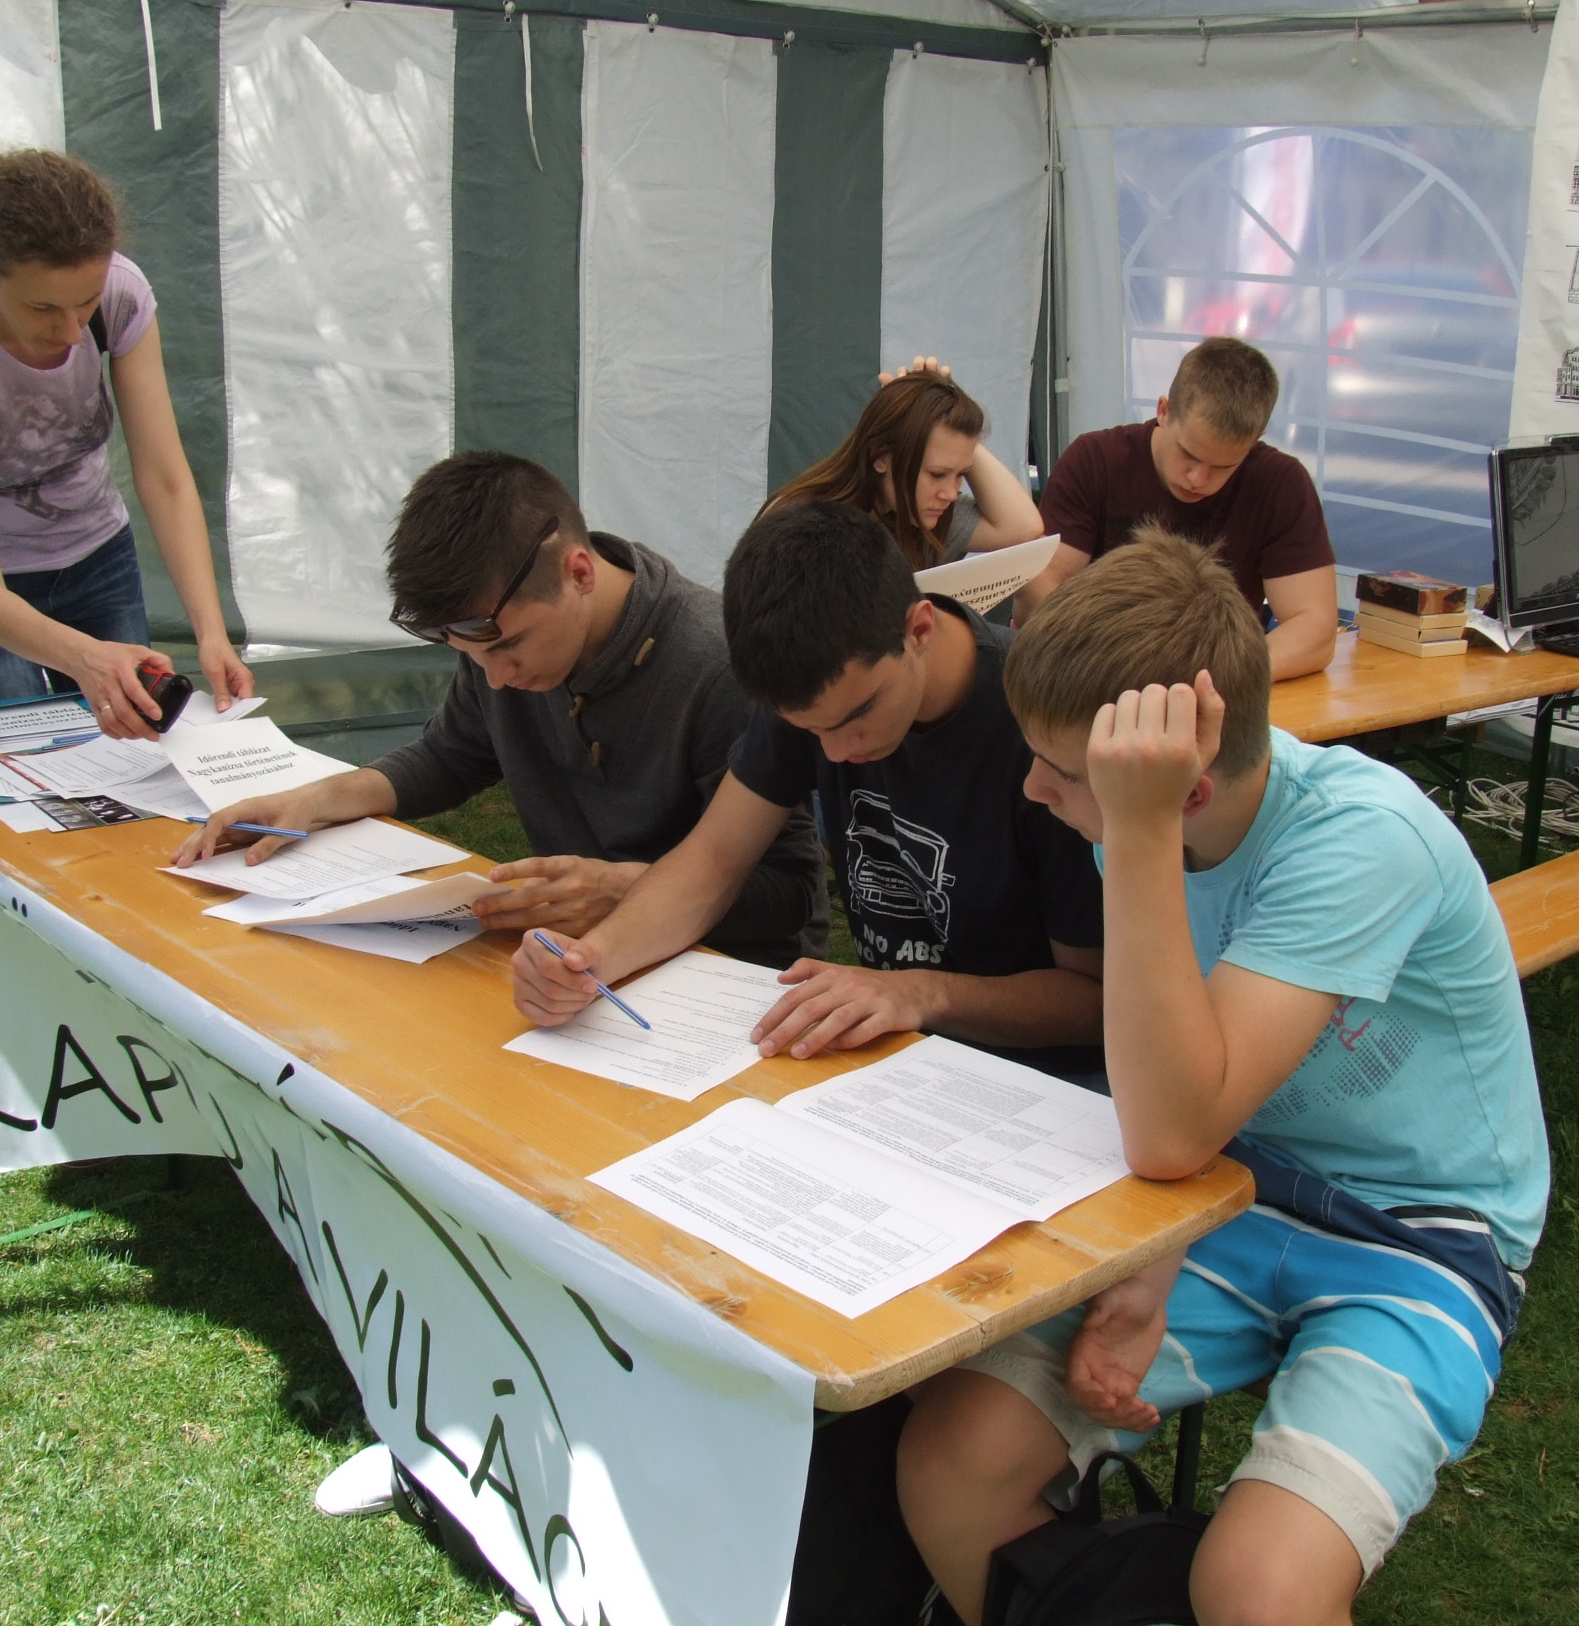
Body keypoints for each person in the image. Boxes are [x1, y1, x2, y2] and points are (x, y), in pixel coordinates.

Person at [898, 533, 1548, 1626]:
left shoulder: (1360, 839)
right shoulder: (1137, 820)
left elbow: (1170, 1125)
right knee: (951, 1468)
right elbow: (1178, 1104)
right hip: (1229, 1187)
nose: (1033, 793)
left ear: (1177, 787)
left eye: (1058, 775)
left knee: (1257, 1598)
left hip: (1416, 1240)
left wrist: (1133, 839)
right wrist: (1148, 1261)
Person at [511, 500, 1103, 1074]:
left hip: (1046, 1083)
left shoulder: (1046, 729)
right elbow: (712, 860)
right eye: (811, 731)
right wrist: (592, 959)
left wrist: (922, 992)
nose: (837, 752)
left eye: (856, 716)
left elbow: (1096, 999)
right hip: (891, 1057)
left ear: (918, 629)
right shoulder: (817, 690)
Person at [176, 452, 828, 966]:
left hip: (724, 977)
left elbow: (790, 895)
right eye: (471, 656)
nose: (496, 677)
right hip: (574, 959)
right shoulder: (495, 627)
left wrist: (621, 888)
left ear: (579, 573)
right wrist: (315, 801)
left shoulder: (718, 666)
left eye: (507, 647)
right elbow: (451, 756)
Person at [0, 148, 249, 738]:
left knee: (134, 743)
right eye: (43, 308)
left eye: (86, 302)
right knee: (28, 753)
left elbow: (164, 476)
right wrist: (88, 659)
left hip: (93, 550)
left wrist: (211, 631)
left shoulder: (122, 292)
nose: (73, 330)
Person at [1017, 335, 1339, 680]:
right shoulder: (1095, 460)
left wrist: (1216, 679)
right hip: (1097, 672)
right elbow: (1040, 588)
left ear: (1256, 438)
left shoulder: (1281, 483)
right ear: (1164, 411)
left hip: (1215, 682)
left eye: (1224, 466)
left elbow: (1316, 629)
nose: (1198, 479)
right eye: (1188, 454)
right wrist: (1118, 670)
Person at [764, 362, 1043, 569]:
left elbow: (1024, 527)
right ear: (880, 456)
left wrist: (948, 411)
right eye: (937, 474)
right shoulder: (799, 522)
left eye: (962, 473)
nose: (949, 493)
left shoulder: (927, 516)